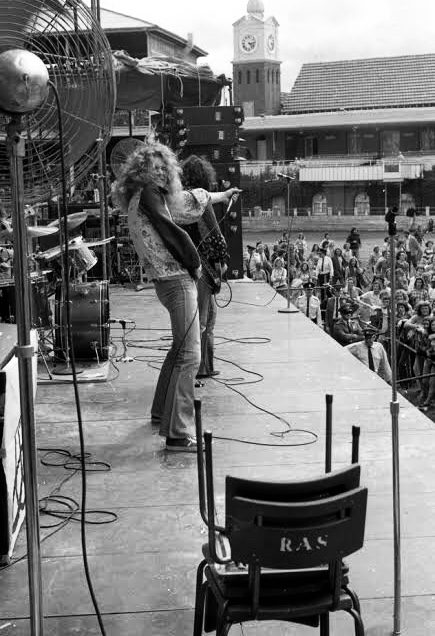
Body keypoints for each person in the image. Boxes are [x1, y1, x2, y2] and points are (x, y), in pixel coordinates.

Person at [113, 137, 239, 452]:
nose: (158, 173)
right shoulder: (150, 197)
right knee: (190, 355)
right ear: (141, 172)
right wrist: (194, 263)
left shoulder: (147, 196)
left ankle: (160, 414)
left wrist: (221, 195)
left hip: (166, 280)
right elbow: (172, 229)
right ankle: (177, 433)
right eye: (152, 168)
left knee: (179, 350)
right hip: (176, 280)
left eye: (162, 168)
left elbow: (187, 200)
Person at [181, 154, 229, 381]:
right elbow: (215, 236)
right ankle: (199, 368)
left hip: (188, 266)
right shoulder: (200, 199)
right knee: (204, 321)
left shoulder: (181, 200)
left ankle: (206, 366)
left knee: (204, 318)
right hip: (205, 268)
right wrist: (222, 260)